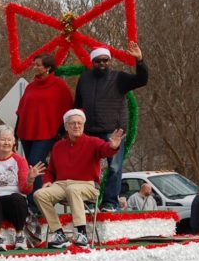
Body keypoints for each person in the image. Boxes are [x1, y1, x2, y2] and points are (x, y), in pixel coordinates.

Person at [34, 109, 123, 249]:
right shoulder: (58, 146)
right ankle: (59, 234)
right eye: (73, 123)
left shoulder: (93, 142)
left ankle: (82, 234)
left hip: (87, 184)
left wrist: (113, 146)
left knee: (73, 189)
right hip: (61, 185)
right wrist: (47, 181)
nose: (76, 126)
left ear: (83, 125)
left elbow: (105, 150)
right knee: (39, 194)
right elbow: (50, 170)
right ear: (66, 126)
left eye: (79, 123)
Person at [75, 42, 148, 211]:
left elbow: (142, 80)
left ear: (110, 61)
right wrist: (75, 125)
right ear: (92, 62)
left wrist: (139, 60)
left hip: (112, 131)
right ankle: (89, 201)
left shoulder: (119, 78)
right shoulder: (85, 78)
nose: (102, 64)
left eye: (105, 60)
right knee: (87, 168)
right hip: (89, 131)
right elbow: (78, 103)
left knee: (114, 168)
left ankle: (110, 202)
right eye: (98, 61)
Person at [15, 53, 73, 208]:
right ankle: (35, 200)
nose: (35, 67)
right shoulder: (31, 86)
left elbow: (68, 108)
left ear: (48, 68)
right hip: (27, 132)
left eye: (38, 65)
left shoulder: (59, 85)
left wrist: (62, 130)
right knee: (30, 166)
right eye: (34, 64)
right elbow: (21, 111)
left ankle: (37, 203)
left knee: (36, 163)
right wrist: (16, 133)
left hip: (47, 132)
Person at [0, 125, 45, 251]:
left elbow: (25, 190)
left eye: (9, 139)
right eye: (3, 139)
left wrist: (30, 179)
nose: (7, 142)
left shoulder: (19, 160)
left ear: (14, 142)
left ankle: (20, 235)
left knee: (18, 198)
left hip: (13, 201)